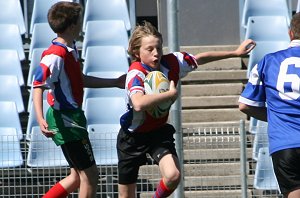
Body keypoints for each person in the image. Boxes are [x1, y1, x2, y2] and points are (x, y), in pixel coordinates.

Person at [117, 20, 256, 198]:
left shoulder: (172, 62)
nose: (156, 53)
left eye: (158, 48)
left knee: (173, 176)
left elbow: (200, 58)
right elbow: (138, 103)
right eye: (149, 49)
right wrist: (169, 94)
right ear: (136, 52)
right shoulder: (135, 73)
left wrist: (235, 53)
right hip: (131, 138)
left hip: (158, 133)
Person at [32, 2, 125, 198]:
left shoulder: (70, 49)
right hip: (67, 120)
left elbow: (79, 80)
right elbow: (37, 84)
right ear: (73, 25)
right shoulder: (54, 55)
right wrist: (40, 119)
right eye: (80, 21)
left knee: (76, 176)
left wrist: (115, 82)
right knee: (90, 176)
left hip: (71, 118)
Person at [239, 13, 300, 198]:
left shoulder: (268, 61)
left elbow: (244, 105)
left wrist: (274, 115)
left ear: (290, 34)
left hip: (284, 145)